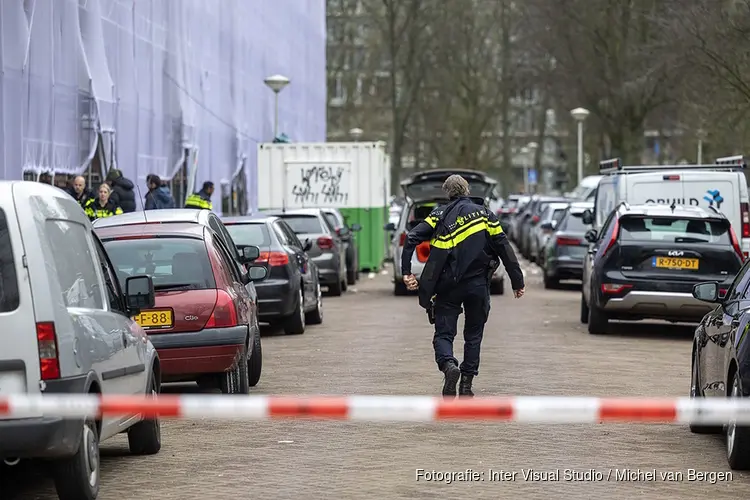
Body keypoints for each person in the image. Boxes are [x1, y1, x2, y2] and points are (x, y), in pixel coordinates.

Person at [401, 174, 525, 398]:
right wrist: (517, 281)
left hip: (447, 285)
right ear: (467, 190)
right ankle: (466, 386)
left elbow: (411, 238)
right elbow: (504, 246)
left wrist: (406, 272)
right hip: (478, 285)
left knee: (444, 334)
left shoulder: (439, 214)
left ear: (447, 193)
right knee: (474, 334)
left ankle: (449, 366)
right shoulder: (486, 215)